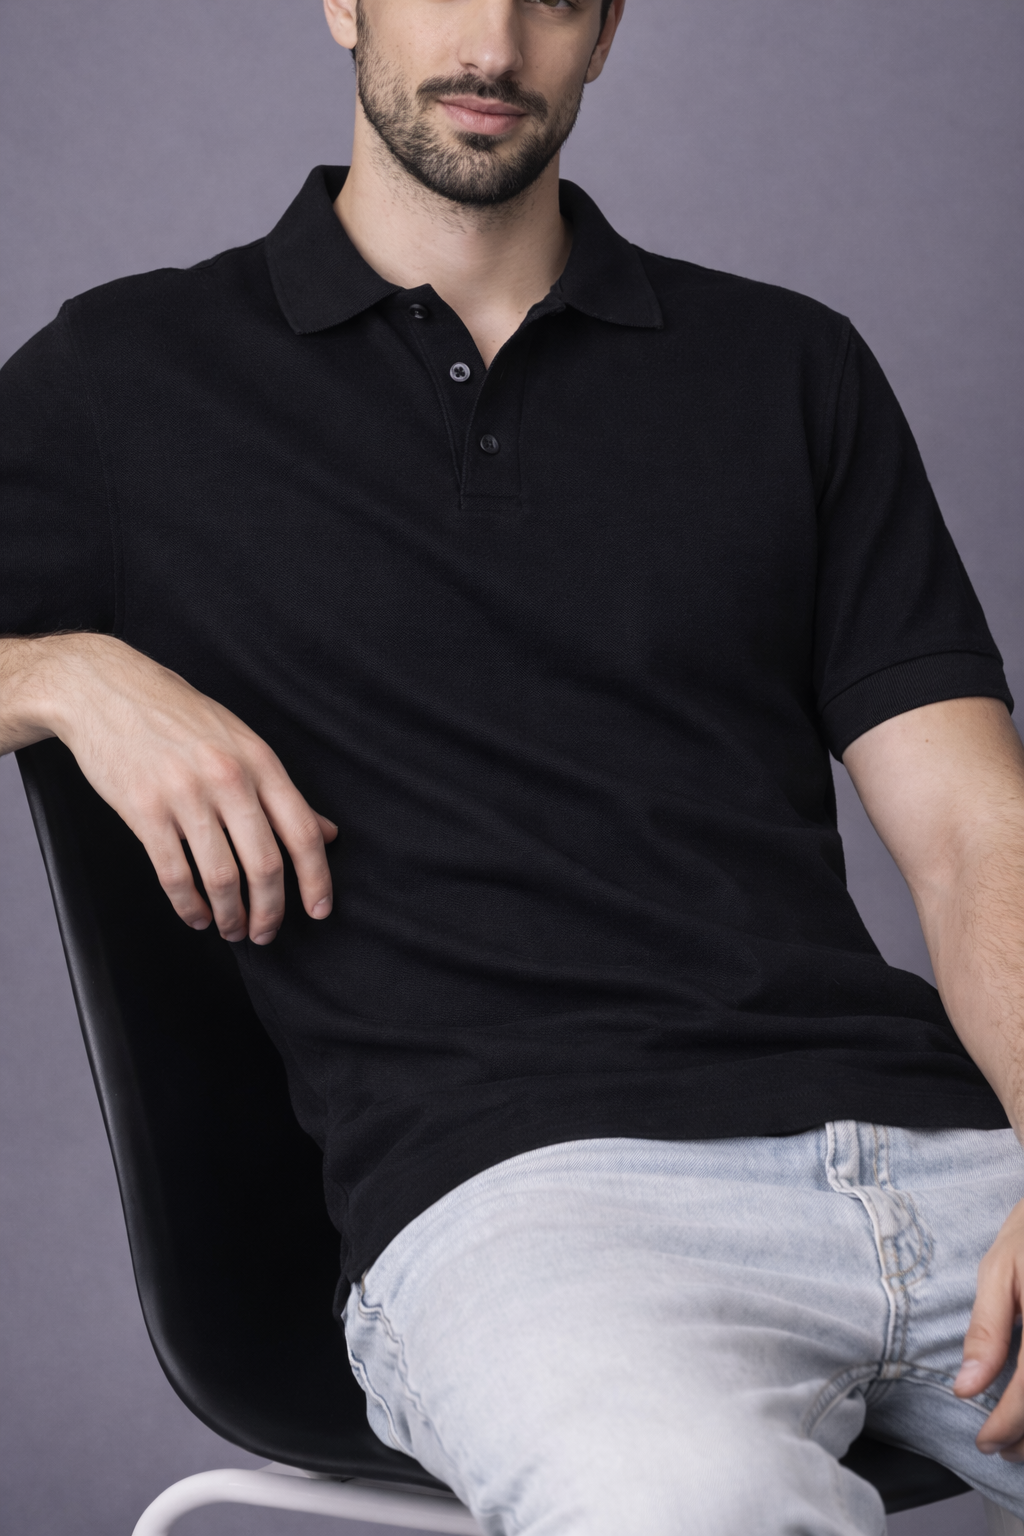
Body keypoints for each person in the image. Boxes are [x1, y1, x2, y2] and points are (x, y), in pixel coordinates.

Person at [2, 0, 1023, 1529]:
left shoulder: (788, 365)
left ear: (604, 31)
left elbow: (971, 831)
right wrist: (66, 676)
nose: (492, 42)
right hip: (535, 1202)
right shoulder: (128, 379)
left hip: (947, 1154)